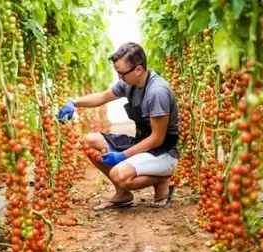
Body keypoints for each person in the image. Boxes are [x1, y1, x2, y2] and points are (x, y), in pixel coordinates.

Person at [58, 42, 180, 210]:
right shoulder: (129, 83)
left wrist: (122, 155)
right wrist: (74, 102)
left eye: (122, 74)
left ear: (138, 70)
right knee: (88, 141)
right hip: (142, 145)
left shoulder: (157, 92)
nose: (119, 78)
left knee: (119, 174)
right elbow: (102, 97)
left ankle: (162, 180)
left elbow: (157, 139)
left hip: (163, 152)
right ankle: (122, 194)